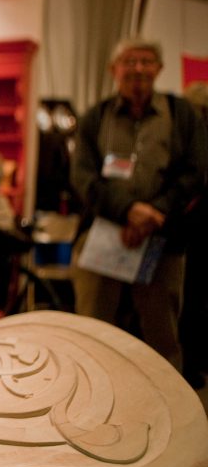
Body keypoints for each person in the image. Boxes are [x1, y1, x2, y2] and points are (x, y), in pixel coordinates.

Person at [70, 37, 208, 371]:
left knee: (162, 335)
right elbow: (83, 176)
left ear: (159, 69)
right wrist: (127, 211)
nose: (138, 69)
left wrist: (154, 212)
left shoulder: (182, 114)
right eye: (129, 62)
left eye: (146, 61)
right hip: (103, 236)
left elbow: (195, 172)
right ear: (113, 70)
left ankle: (171, 412)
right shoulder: (95, 117)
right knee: (91, 332)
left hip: (162, 238)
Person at [180, 81, 208, 387]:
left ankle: (192, 363)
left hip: (193, 231)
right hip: (191, 231)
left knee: (192, 298)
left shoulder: (193, 139)